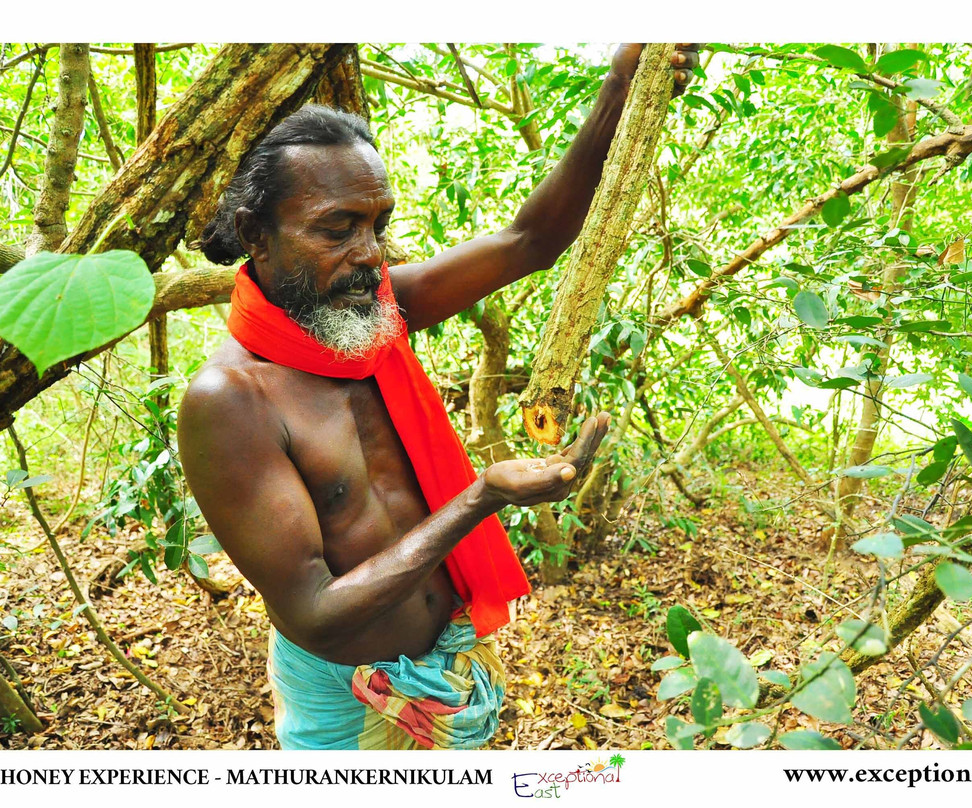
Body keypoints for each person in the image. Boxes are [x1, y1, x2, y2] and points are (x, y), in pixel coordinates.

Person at [177, 44, 699, 750]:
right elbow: (316, 612)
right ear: (254, 235)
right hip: (348, 703)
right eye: (337, 229)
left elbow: (530, 240)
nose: (370, 254)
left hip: (445, 662)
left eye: (378, 225)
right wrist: (483, 498)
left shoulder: (375, 314)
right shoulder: (230, 402)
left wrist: (621, 82)